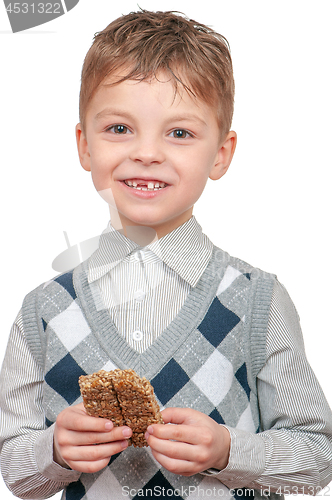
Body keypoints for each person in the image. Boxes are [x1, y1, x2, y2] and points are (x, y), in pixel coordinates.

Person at [1, 9, 332, 500]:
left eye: (179, 133)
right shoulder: (43, 311)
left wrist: (229, 451)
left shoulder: (257, 301)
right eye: (119, 128)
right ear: (84, 145)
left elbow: (318, 456)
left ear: (220, 153)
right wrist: (53, 449)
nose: (147, 152)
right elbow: (14, 468)